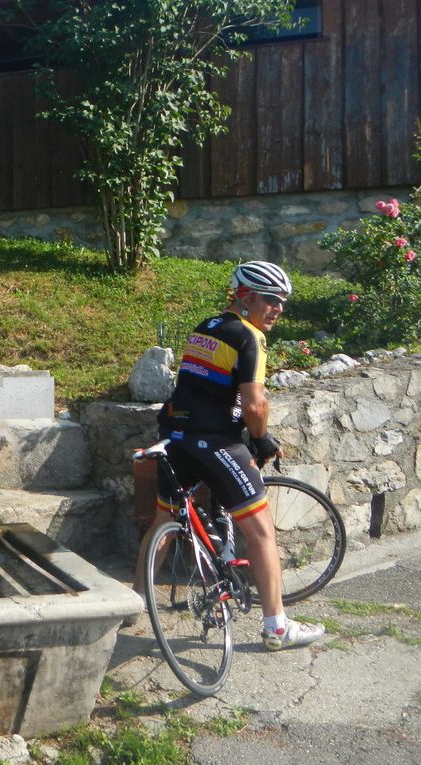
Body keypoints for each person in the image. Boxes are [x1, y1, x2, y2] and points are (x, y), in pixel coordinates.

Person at [131, 261, 325, 651]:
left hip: (176, 439)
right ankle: (277, 627)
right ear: (245, 296)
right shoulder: (249, 336)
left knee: (163, 522)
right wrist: (262, 439)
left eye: (282, 302)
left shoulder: (205, 328)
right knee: (261, 531)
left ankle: (130, 606)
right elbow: (255, 404)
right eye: (270, 300)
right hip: (215, 442)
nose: (278, 309)